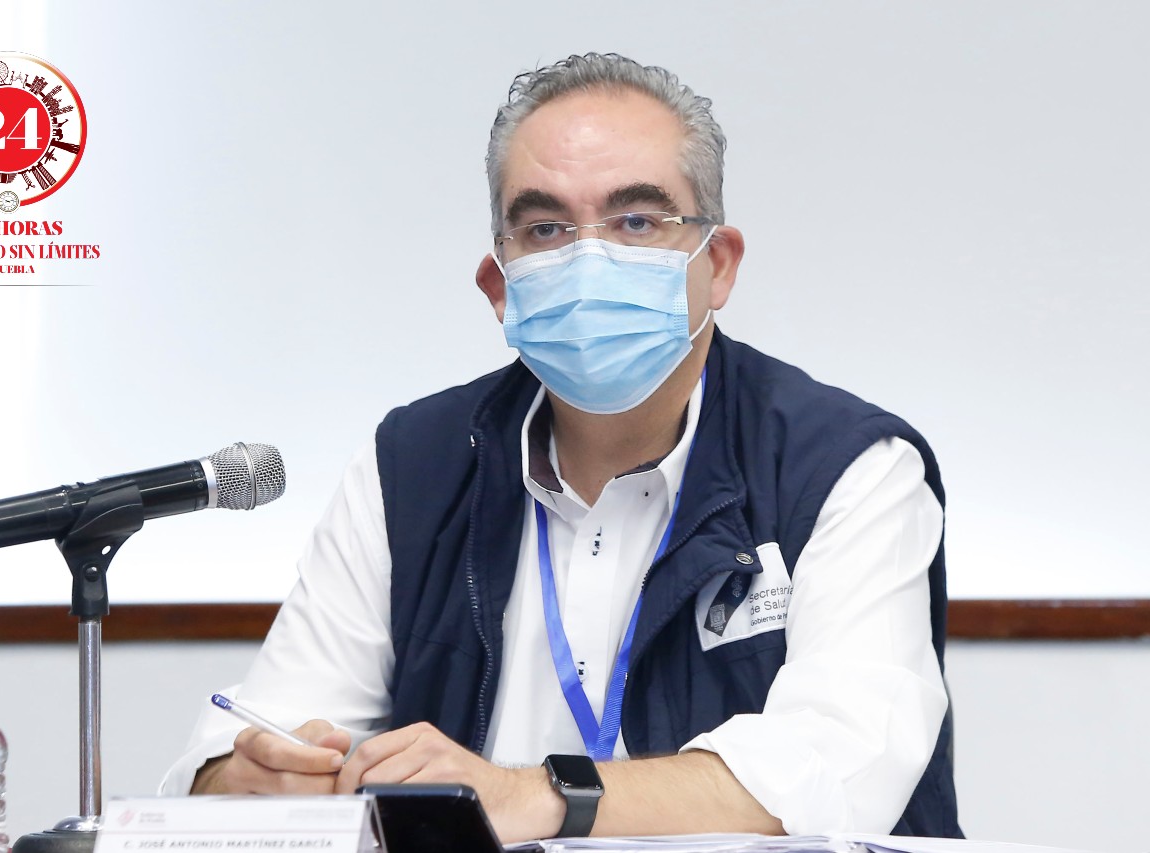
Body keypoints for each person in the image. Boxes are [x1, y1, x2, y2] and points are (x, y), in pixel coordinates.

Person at [161, 53, 960, 843]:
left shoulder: (847, 467)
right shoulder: (411, 465)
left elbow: (839, 766)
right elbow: (251, 738)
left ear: (717, 266)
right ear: (499, 284)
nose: (589, 257)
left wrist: (538, 795)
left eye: (636, 220)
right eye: (545, 228)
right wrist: (242, 778)